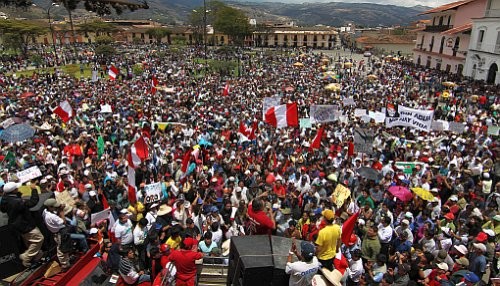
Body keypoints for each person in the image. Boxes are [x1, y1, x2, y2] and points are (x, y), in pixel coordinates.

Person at [0, 182, 44, 268]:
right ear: (13, 191)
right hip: (25, 225)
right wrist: (34, 189)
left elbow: (4, 210)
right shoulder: (17, 201)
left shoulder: (5, 199)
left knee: (30, 241)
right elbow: (32, 202)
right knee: (39, 238)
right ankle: (26, 257)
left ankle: (36, 256)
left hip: (16, 225)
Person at [42, 198, 70, 271]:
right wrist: (61, 211)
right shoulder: (52, 216)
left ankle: (67, 261)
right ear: (50, 207)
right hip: (60, 233)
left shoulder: (45, 212)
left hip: (57, 232)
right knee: (61, 249)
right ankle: (64, 265)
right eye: (54, 206)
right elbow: (63, 221)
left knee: (64, 247)